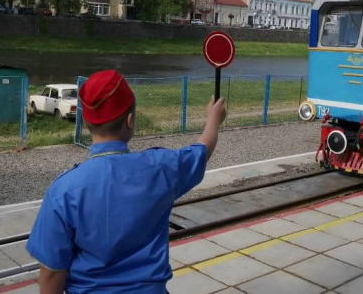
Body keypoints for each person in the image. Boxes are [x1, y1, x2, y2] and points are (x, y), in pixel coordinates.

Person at [26, 70, 226, 294]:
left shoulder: (63, 191)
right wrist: (213, 120)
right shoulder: (162, 168)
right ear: (130, 120)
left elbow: (52, 271)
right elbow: (201, 152)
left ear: (86, 122)